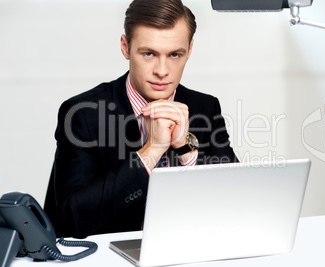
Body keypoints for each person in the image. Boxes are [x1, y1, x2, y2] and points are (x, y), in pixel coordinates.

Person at [44, 0, 238, 239]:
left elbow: (235, 198)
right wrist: (151, 151)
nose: (162, 70)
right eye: (149, 53)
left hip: (188, 248)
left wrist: (186, 148)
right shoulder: (83, 113)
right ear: (125, 47)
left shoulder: (205, 107)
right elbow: (71, 218)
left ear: (190, 50)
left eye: (175, 54)